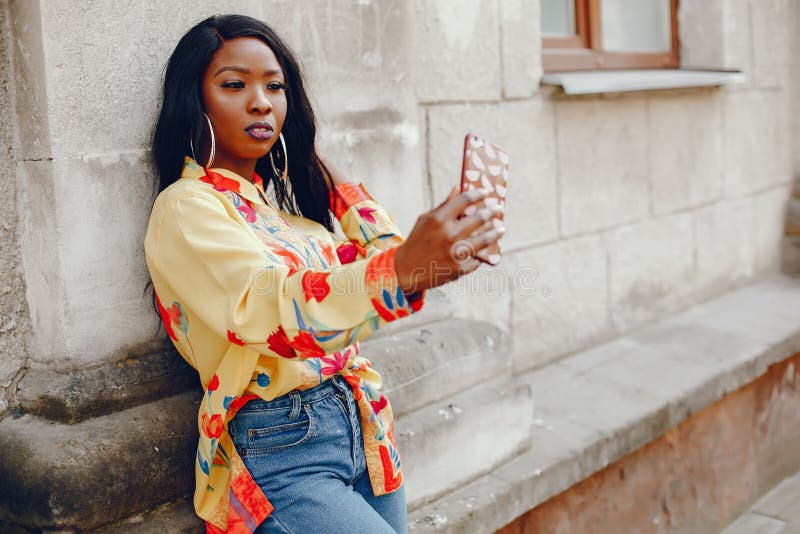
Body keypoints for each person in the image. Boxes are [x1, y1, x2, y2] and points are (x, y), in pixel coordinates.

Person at [144, 14, 505, 534]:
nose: (261, 102)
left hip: (365, 429)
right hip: (282, 448)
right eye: (234, 85)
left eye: (275, 86)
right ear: (194, 101)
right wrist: (401, 269)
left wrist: (329, 175)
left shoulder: (293, 223)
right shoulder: (187, 209)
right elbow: (275, 309)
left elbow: (383, 264)